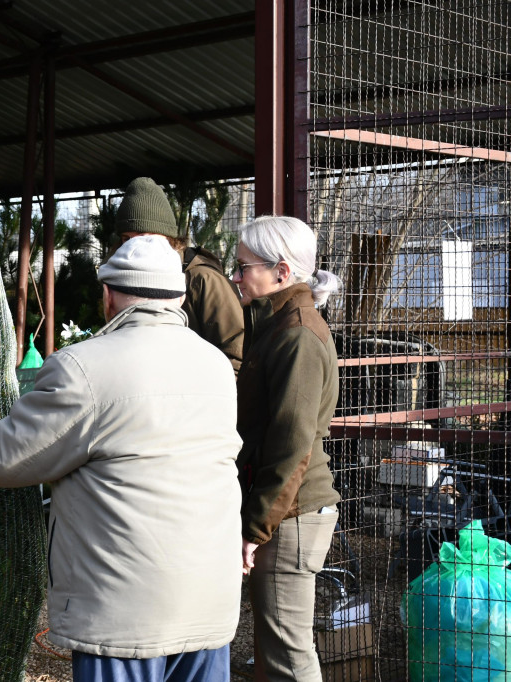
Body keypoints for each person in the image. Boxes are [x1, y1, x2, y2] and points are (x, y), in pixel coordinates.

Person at [0, 235, 241, 682]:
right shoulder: (215, 364)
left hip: (123, 610)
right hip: (208, 603)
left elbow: (13, 454)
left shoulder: (83, 367)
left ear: (109, 294)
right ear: (178, 296)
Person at [231, 215, 342, 682]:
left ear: (280, 272)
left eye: (243, 267)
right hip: (286, 511)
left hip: (290, 515)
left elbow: (291, 447)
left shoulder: (296, 333)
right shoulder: (277, 323)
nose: (235, 276)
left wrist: (255, 529)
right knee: (276, 650)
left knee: (288, 658)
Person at [115, 176, 244, 374]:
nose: (135, 246)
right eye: (127, 238)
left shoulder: (203, 279)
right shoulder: (119, 276)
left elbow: (235, 353)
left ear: (168, 238)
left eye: (144, 237)